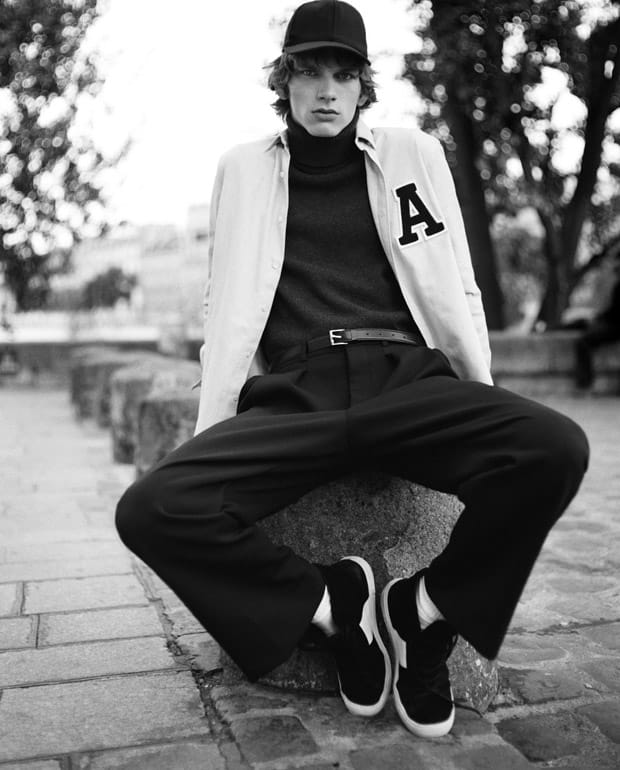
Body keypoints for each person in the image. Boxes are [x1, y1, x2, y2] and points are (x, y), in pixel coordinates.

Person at [115, 0, 589, 738]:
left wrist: (479, 390)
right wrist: (218, 419)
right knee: (150, 510)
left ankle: (423, 613)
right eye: (310, 73)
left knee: (555, 448)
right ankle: (334, 607)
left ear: (364, 84)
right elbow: (224, 295)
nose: (327, 91)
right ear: (284, 82)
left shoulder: (413, 153)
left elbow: (457, 277)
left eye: (343, 75)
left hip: (407, 379)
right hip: (296, 392)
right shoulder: (242, 168)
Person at [575, 254, 620, 390]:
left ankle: (584, 383)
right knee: (582, 327)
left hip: (615, 326)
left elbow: (615, 314)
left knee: (583, 342)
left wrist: (599, 319)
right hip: (612, 323)